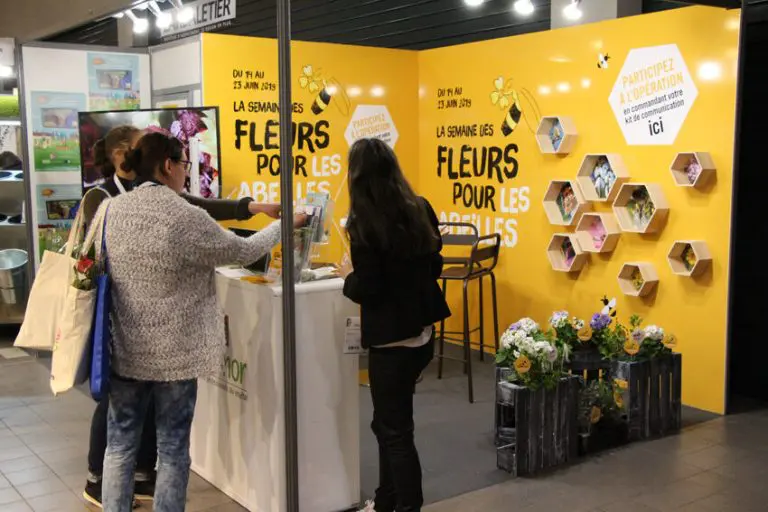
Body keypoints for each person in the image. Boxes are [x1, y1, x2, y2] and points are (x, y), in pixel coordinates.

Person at [96, 132, 305, 512]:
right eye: (184, 165)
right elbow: (244, 251)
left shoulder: (110, 210)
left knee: (120, 446)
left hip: (123, 349)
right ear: (168, 166)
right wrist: (285, 225)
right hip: (176, 355)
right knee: (172, 448)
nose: (186, 173)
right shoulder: (183, 215)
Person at [339, 138, 450, 512]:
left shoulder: (363, 223)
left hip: (391, 344)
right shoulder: (420, 207)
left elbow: (368, 288)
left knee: (395, 432)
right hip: (422, 335)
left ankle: (406, 505)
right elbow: (435, 264)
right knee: (388, 424)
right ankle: (386, 500)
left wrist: (347, 276)